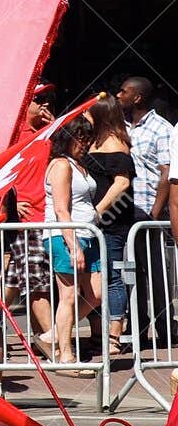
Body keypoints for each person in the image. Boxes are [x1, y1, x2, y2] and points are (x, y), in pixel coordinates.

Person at [0, 82, 59, 363]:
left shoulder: (47, 132)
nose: (46, 104)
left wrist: (55, 127)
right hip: (25, 218)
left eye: (48, 98)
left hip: (45, 216)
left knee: (19, 280)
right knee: (38, 282)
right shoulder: (12, 134)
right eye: (40, 99)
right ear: (25, 103)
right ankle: (54, 346)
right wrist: (11, 200)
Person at [117, 76, 173, 347]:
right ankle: (137, 330)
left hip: (148, 213)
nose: (119, 95)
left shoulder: (162, 129)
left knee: (155, 273)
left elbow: (166, 174)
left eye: (124, 92)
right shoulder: (122, 127)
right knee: (131, 273)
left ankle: (165, 330)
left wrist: (155, 212)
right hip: (126, 210)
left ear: (137, 97)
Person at [45, 117, 100, 376]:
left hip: (88, 234)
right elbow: (60, 209)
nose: (85, 144)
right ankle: (65, 354)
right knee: (68, 294)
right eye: (80, 138)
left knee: (96, 293)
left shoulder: (79, 165)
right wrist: (73, 243)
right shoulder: (61, 165)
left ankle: (54, 333)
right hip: (66, 235)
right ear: (67, 138)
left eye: (88, 139)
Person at [83, 96, 135, 359]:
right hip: (92, 222)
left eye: (89, 113)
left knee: (112, 275)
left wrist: (97, 211)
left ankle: (115, 333)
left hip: (112, 220)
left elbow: (121, 184)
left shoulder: (117, 144)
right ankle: (96, 333)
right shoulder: (94, 141)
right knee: (94, 275)